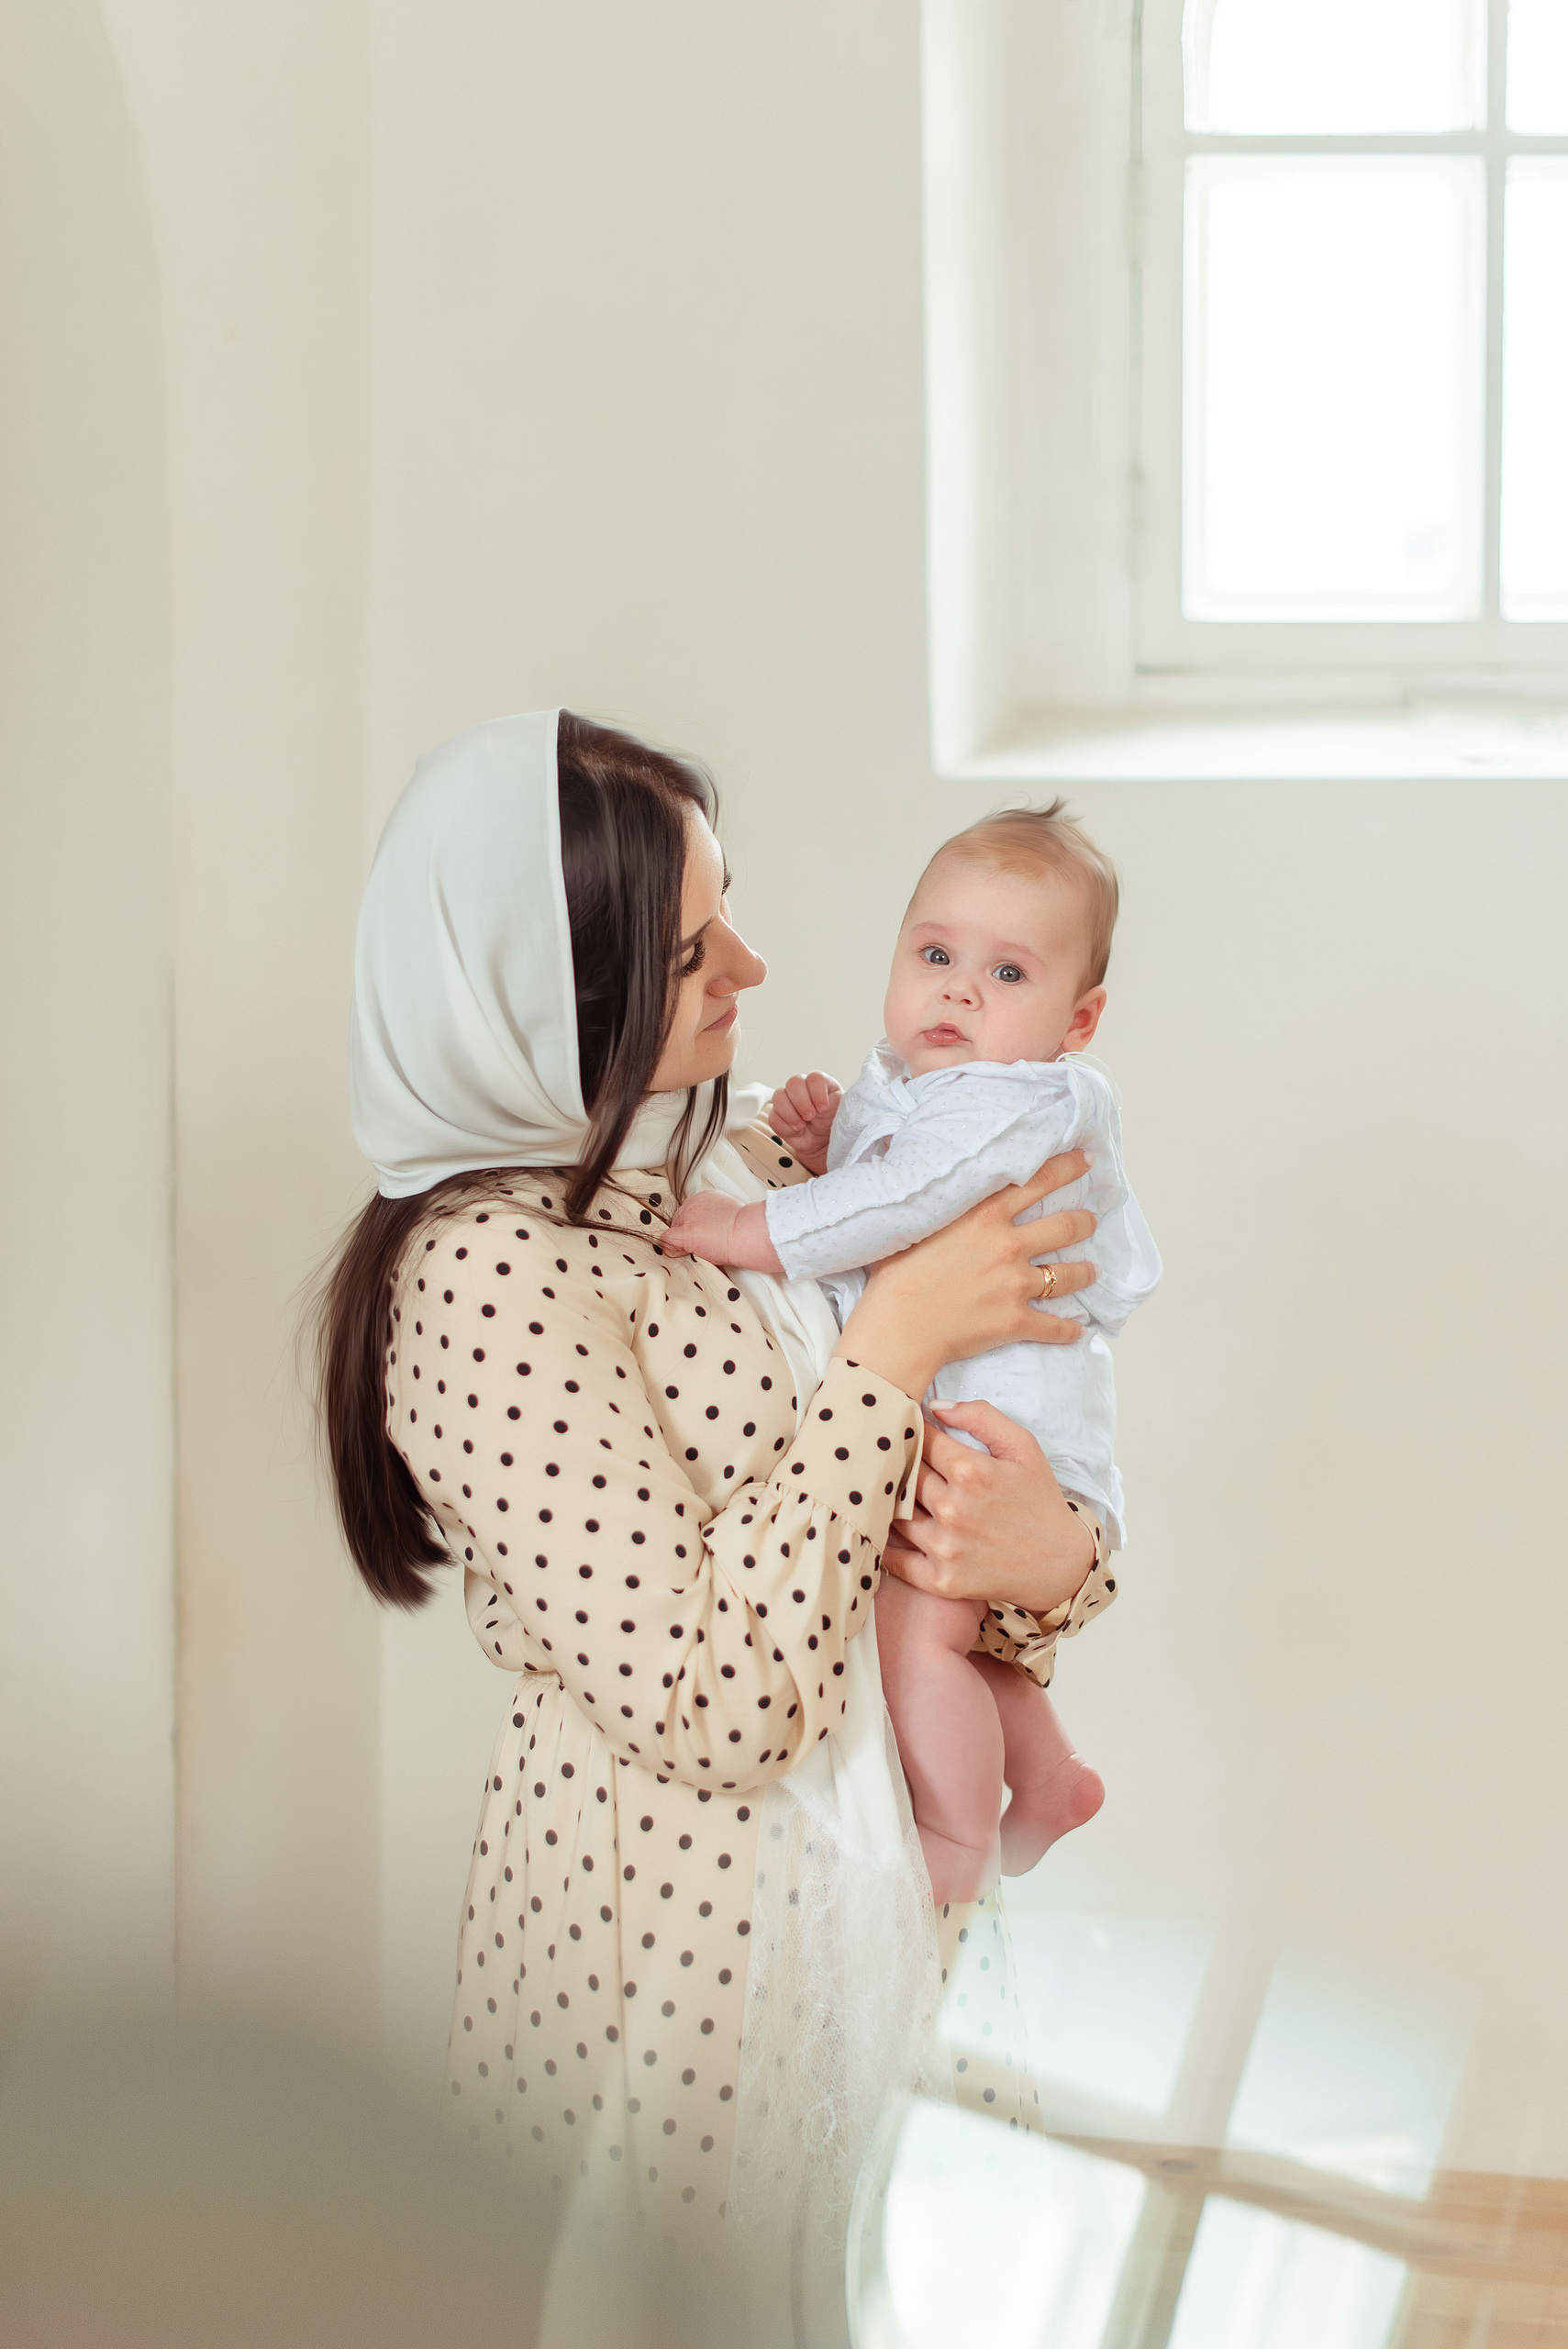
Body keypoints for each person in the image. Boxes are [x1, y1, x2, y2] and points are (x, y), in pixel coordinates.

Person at [314, 709, 1113, 2285]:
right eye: (691, 954)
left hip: (882, 1875)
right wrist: (891, 1341)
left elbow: (961, 1518)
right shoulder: (484, 1281)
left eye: (725, 905)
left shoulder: (737, 1173)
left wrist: (1058, 1557)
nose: (751, 965)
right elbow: (715, 1706)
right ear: (552, 993)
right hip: (679, 1940)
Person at [663, 805, 1160, 1903]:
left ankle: (954, 1837)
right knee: (957, 1638)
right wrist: (829, 1146)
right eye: (935, 955)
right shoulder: (933, 1084)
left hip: (994, 1435)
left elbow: (901, 1201)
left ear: (1077, 1020)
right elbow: (892, 1190)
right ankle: (1048, 1774)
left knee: (914, 1641)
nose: (958, 992)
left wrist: (747, 1225)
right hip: (974, 1424)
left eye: (1006, 973)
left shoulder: (1016, 1099)